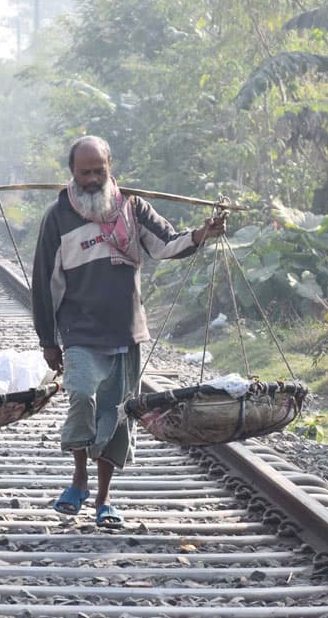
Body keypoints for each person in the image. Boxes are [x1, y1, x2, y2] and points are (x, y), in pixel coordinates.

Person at [31, 135, 225, 528]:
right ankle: (78, 479)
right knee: (82, 396)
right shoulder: (58, 217)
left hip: (125, 332)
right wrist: (49, 340)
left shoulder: (132, 209)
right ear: (72, 173)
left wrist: (202, 235)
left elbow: (168, 244)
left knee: (116, 416)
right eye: (84, 172)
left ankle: (104, 499)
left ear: (109, 168)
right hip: (80, 331)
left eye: (98, 171)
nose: (91, 179)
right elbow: (44, 283)